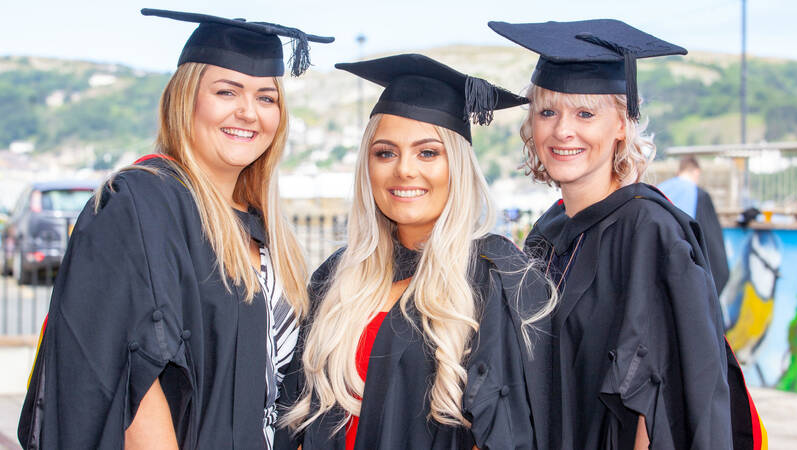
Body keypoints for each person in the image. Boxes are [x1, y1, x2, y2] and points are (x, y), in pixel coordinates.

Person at [18, 9, 332, 449]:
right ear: (186, 99)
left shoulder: (264, 230)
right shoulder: (140, 204)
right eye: (227, 91)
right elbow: (130, 377)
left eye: (266, 97)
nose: (248, 112)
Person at [490, 19, 764, 449]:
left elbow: (657, 397)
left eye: (585, 113)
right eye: (548, 111)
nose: (563, 130)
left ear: (622, 124)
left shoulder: (648, 230)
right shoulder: (547, 234)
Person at [276, 53, 554, 449]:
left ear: (456, 166)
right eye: (385, 152)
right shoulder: (336, 277)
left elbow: (505, 429)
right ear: (366, 167)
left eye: (428, 152)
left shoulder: (496, 279)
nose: (404, 170)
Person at [658, 155, 730, 294]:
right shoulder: (699, 195)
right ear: (697, 172)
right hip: (687, 274)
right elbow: (713, 248)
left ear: (679, 171)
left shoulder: (658, 191)